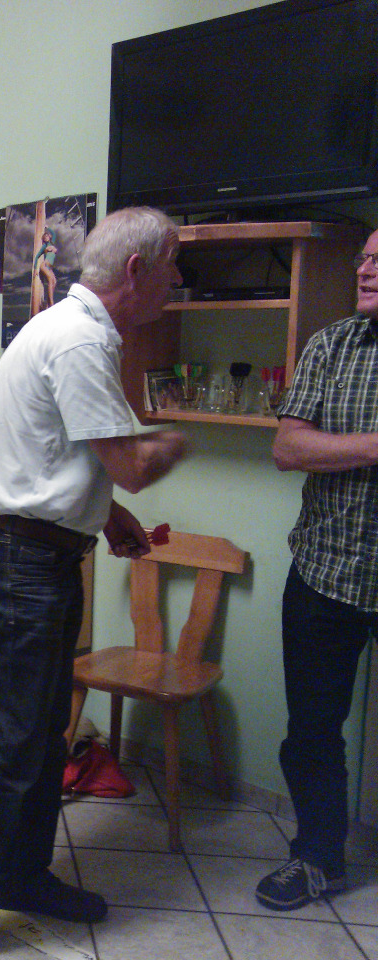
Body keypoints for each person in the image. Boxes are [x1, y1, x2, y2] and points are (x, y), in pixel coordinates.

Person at [0, 207, 189, 960]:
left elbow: (50, 456)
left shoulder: (63, 329)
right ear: (137, 270)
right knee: (9, 745)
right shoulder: (80, 340)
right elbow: (131, 462)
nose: (177, 280)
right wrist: (175, 440)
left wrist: (105, 514)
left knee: (38, 739)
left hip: (35, 554)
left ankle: (21, 876)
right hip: (23, 564)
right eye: (171, 266)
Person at [255, 227, 378, 912]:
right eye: (364, 257)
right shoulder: (331, 345)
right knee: (311, 734)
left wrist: (341, 447)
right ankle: (318, 859)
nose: (364, 269)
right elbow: (288, 448)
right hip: (325, 573)